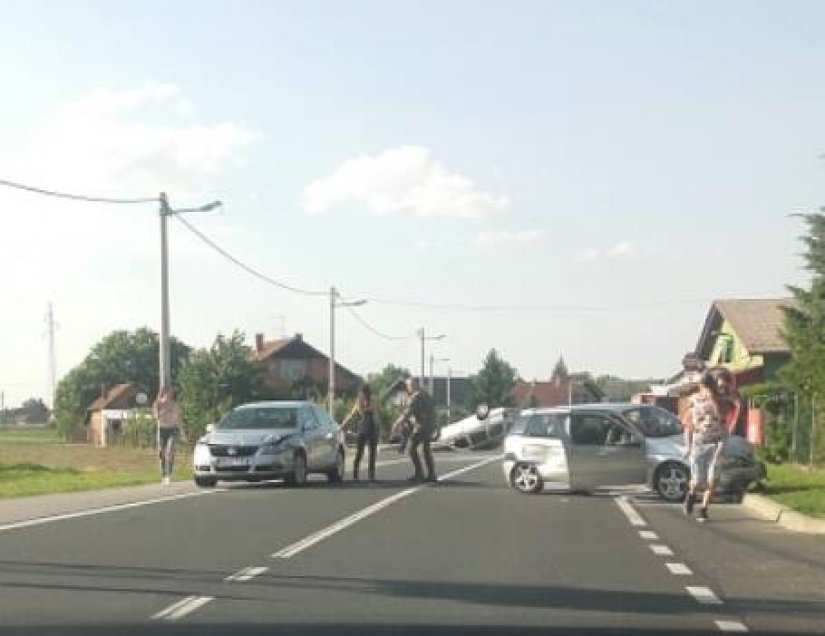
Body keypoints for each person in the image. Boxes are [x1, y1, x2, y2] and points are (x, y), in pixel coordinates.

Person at [682, 372, 729, 522]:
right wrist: (688, 446)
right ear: (700, 385)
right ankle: (691, 495)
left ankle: (703, 509)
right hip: (699, 442)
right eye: (706, 385)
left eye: (710, 385)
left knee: (712, 479)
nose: (708, 388)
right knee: (697, 480)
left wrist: (714, 399)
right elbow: (688, 424)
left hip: (717, 443)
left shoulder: (720, 399)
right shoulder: (693, 400)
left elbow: (722, 417)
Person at [393, 378, 437, 483]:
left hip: (422, 426)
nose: (407, 388)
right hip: (430, 425)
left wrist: (396, 424)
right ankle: (432, 474)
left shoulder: (415, 397)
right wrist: (437, 426)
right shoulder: (426, 395)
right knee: (426, 450)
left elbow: (407, 413)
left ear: (414, 385)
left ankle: (419, 474)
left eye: (408, 386)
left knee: (411, 449)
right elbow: (434, 411)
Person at [341, 385, 380, 482]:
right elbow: (353, 415)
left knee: (369, 452)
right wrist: (343, 425)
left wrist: (344, 424)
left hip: (368, 426)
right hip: (367, 427)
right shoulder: (361, 402)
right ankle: (360, 474)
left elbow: (355, 414)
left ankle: (368, 475)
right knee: (362, 451)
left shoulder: (370, 401)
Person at [153, 385, 183, 486]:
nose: (169, 395)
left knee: (169, 451)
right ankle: (163, 474)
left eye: (170, 393)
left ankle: (169, 475)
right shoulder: (158, 404)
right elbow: (156, 416)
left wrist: (182, 431)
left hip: (172, 430)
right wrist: (159, 410)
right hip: (162, 430)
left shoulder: (175, 405)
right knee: (161, 452)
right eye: (166, 393)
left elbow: (179, 419)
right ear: (163, 393)